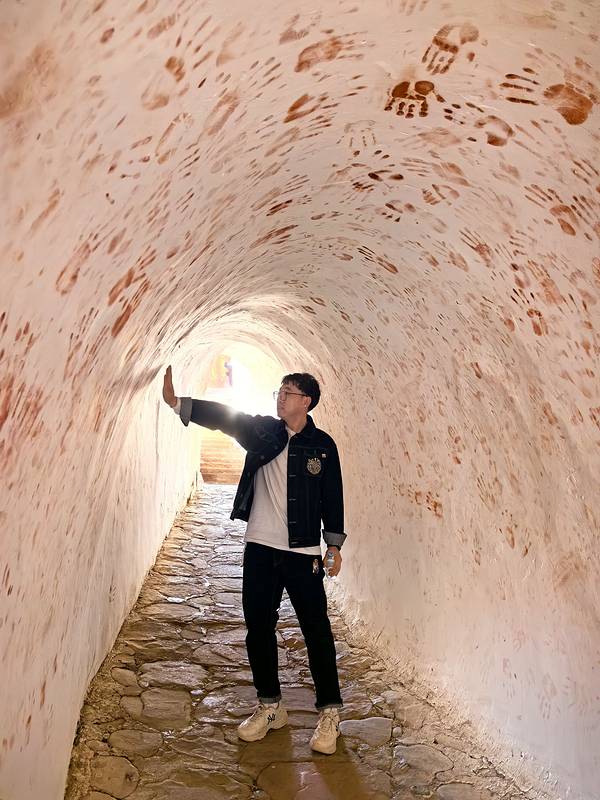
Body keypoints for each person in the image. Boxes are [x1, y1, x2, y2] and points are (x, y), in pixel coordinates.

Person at [162, 365, 346, 754]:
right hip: (260, 547)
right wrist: (180, 404)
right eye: (279, 391)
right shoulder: (263, 431)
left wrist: (333, 545)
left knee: (316, 630)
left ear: (306, 401)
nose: (281, 398)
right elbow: (226, 418)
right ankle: (269, 706)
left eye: (288, 393)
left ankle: (330, 712)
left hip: (302, 553)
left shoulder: (323, 446)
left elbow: (332, 496)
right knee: (258, 627)